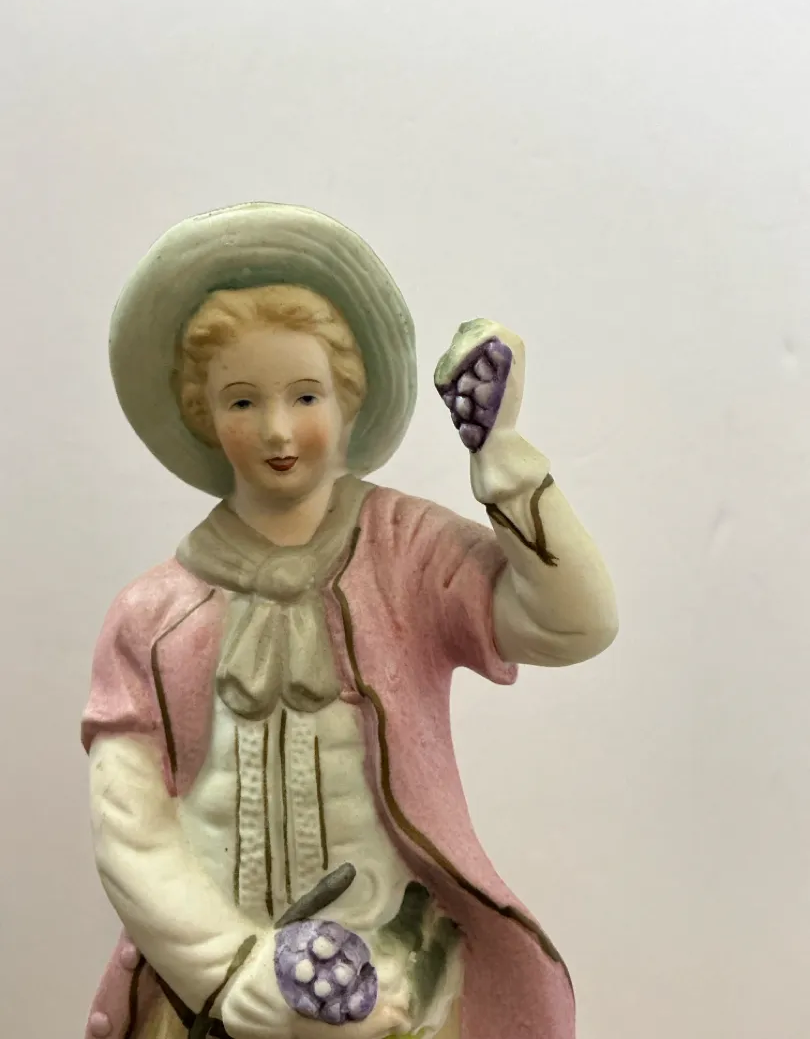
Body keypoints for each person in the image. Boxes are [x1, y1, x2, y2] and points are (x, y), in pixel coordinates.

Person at [82, 203, 618, 1039]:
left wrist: (503, 461)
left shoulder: (404, 553)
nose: (278, 430)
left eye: (305, 395)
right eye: (242, 401)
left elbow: (573, 623)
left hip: (395, 975)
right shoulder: (152, 615)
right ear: (202, 415)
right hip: (211, 992)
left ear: (348, 399)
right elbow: (130, 827)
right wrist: (229, 970)